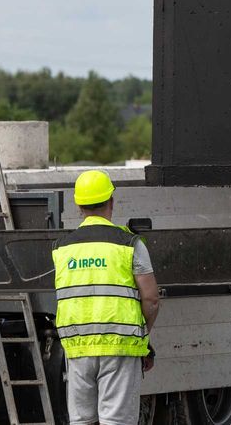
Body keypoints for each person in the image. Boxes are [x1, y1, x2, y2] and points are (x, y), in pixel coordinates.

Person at [52, 170, 161, 425]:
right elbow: (152, 299)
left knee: (81, 421)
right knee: (117, 421)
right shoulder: (130, 244)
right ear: (112, 201)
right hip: (120, 347)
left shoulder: (62, 248)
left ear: (78, 205)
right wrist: (144, 337)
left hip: (77, 348)